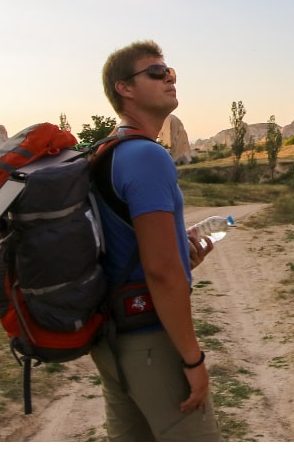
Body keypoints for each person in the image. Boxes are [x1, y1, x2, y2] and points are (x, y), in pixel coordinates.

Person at [90, 40, 223, 442]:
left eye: (171, 72)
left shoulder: (106, 152)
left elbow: (125, 246)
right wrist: (192, 358)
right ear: (124, 88)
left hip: (112, 342)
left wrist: (180, 256)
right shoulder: (147, 156)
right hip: (149, 340)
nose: (168, 77)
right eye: (155, 72)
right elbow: (162, 273)